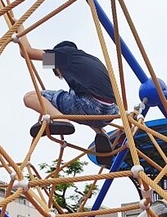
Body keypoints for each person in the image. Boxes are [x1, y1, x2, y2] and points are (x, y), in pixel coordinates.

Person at [17, 35, 119, 166]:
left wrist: (19, 28)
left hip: (89, 105)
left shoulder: (64, 57)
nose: (59, 75)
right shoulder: (90, 60)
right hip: (110, 112)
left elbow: (27, 52)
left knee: (30, 97)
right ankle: (101, 133)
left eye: (56, 71)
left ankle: (59, 118)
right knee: (79, 96)